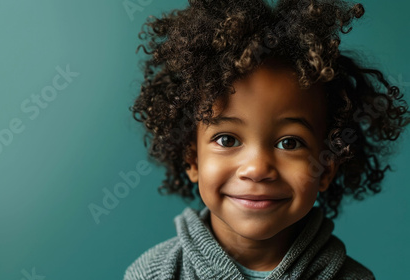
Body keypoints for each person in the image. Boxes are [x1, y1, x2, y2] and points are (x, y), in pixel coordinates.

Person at [124, 0, 409, 279]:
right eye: (227, 140)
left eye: (290, 143)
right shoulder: (152, 273)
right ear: (192, 159)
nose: (257, 168)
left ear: (327, 167)